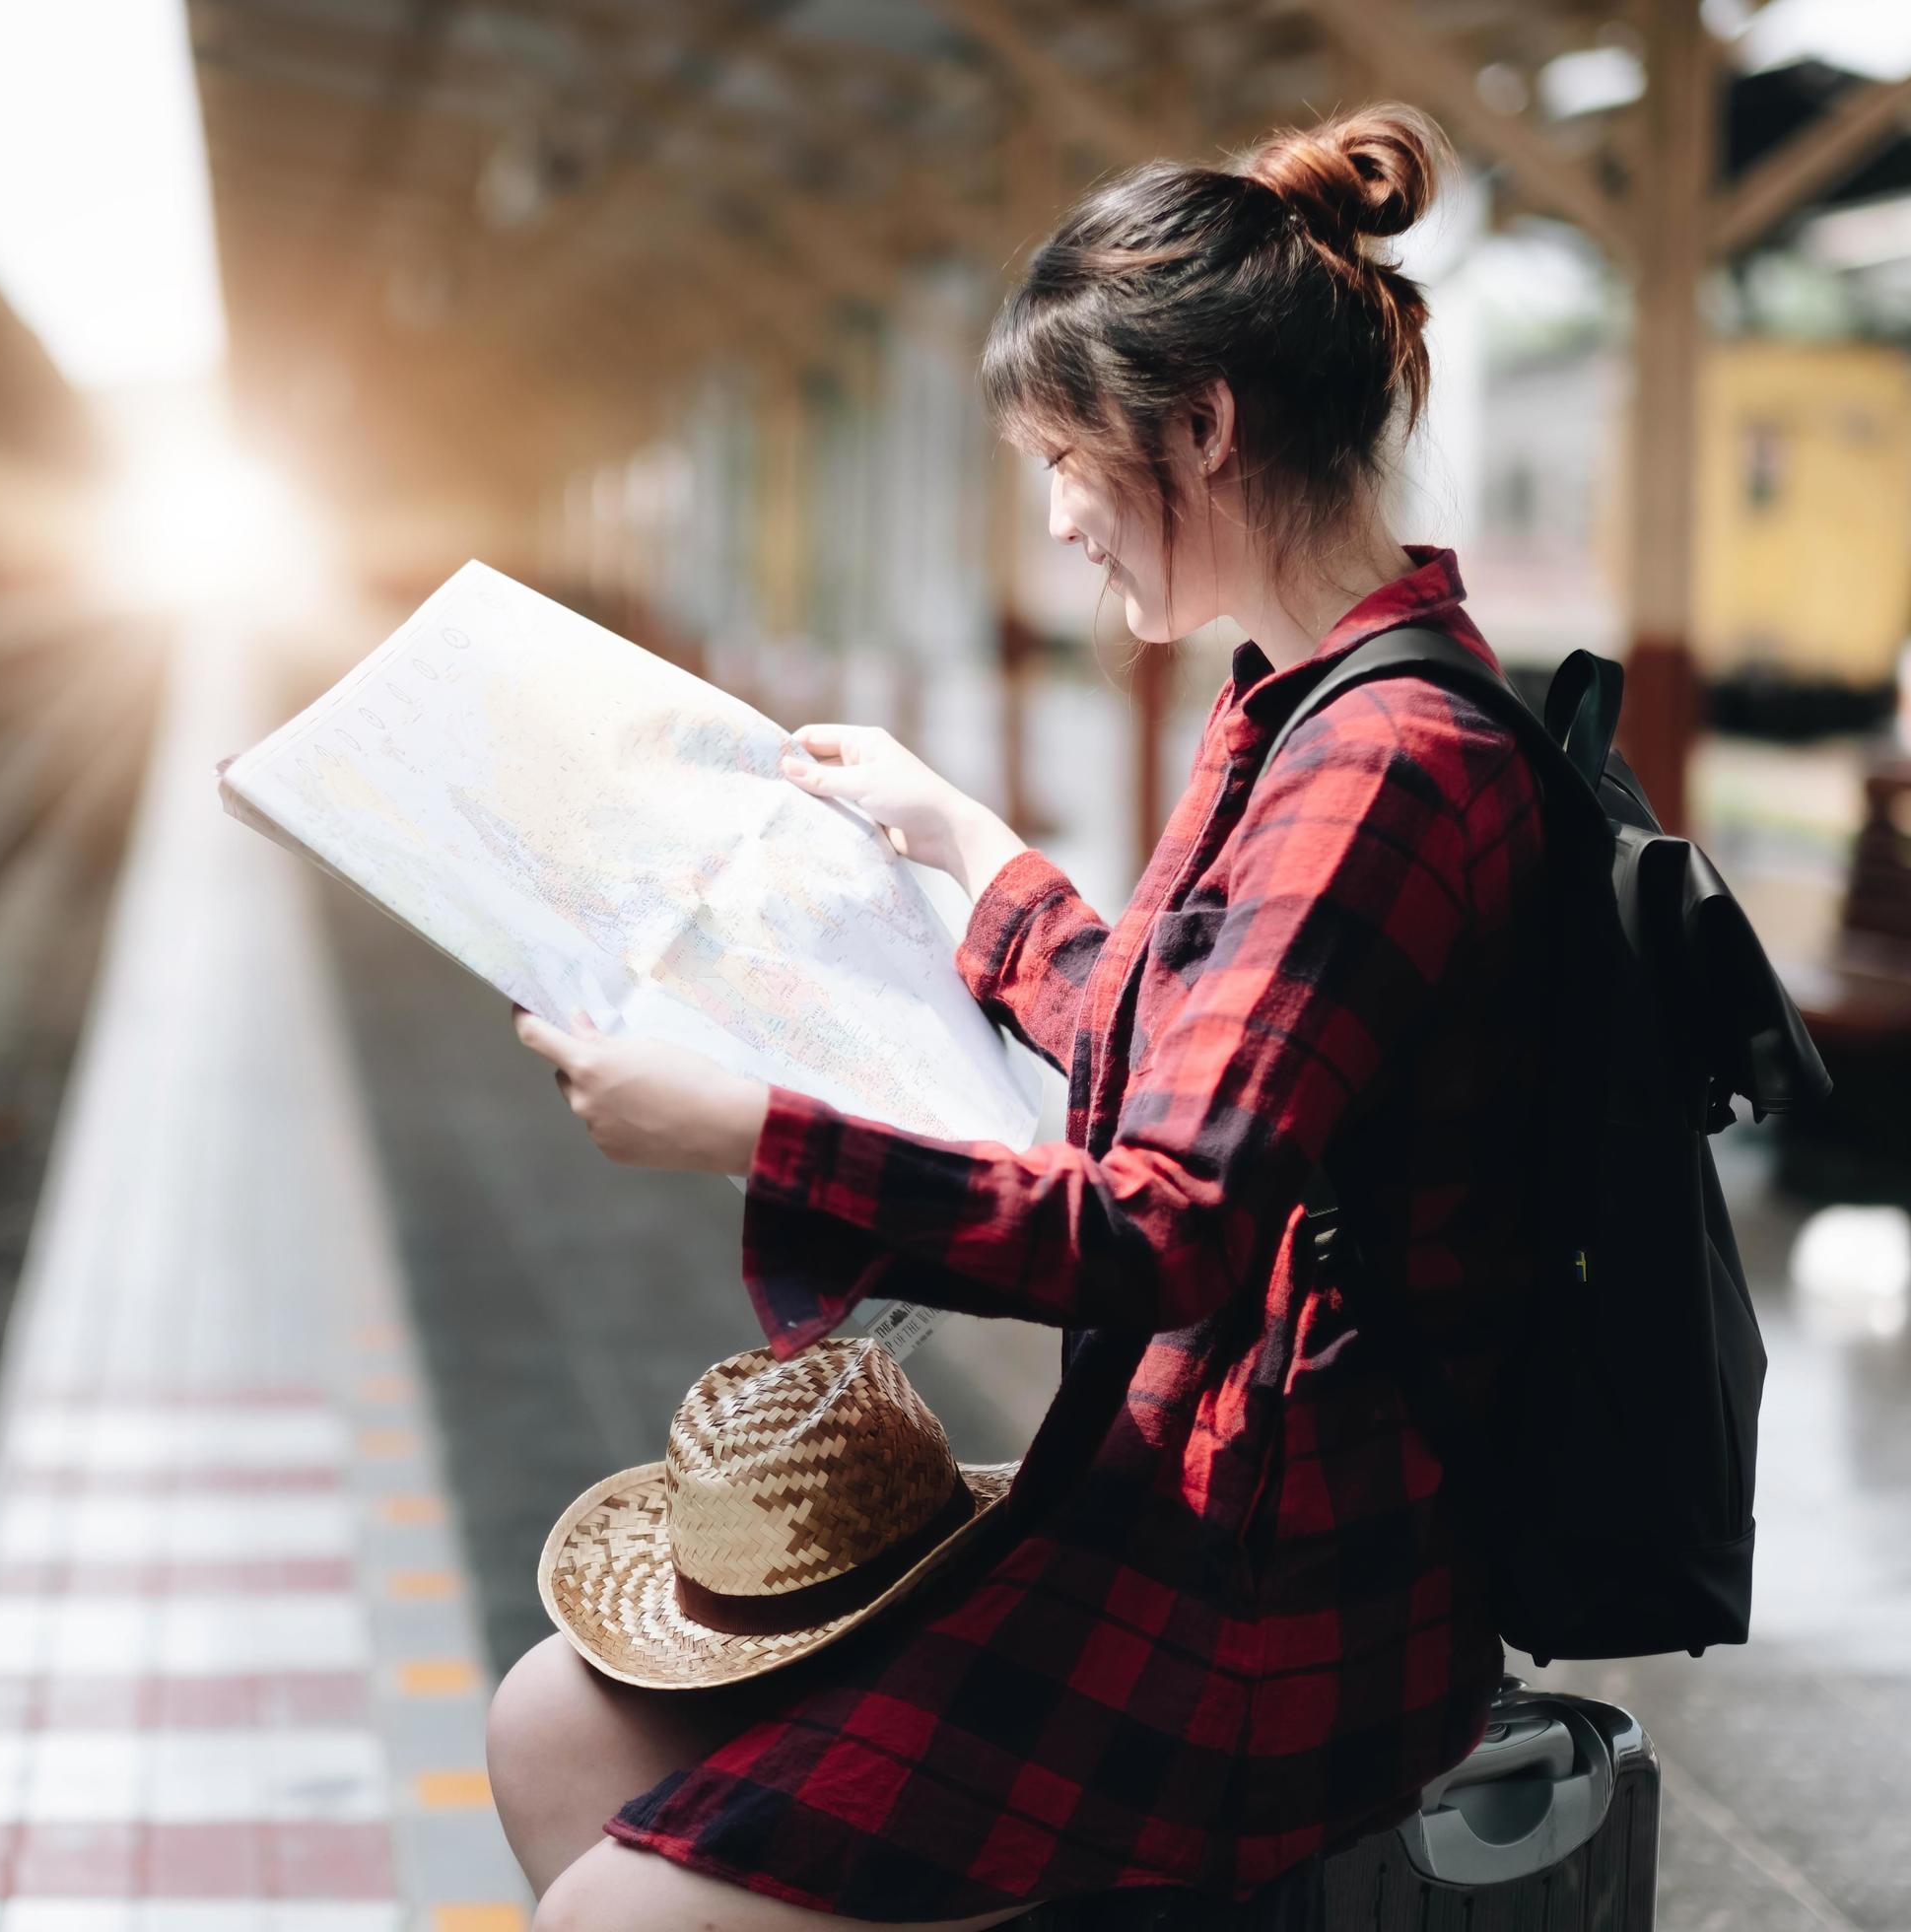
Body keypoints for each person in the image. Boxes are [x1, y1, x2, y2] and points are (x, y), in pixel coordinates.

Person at [492, 104, 1552, 1930]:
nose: (1057, 519)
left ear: (1201, 428)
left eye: (1066, 458)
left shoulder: (1381, 763)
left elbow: (1169, 1223)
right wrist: (962, 843)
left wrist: (738, 1124)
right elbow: (1176, 1047)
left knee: (617, 1904)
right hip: (1178, 1492)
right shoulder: (1303, 705)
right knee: (551, 1727)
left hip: (1276, 1602)